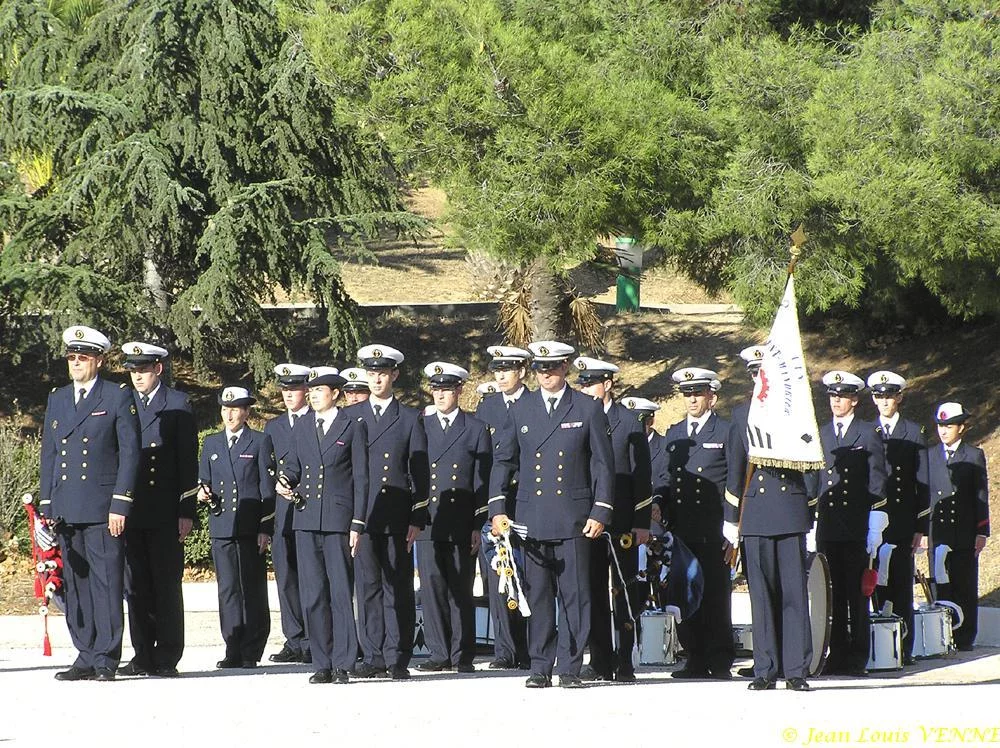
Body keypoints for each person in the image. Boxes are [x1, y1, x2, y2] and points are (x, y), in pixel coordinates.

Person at [488, 340, 615, 689]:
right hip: (532, 517)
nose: (547, 374)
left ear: (566, 368)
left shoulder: (586, 407)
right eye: (541, 368)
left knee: (575, 594)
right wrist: (498, 508)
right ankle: (540, 665)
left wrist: (600, 510)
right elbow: (504, 461)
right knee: (539, 595)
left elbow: (603, 465)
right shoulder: (522, 408)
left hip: (574, 516)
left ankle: (570, 667)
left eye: (554, 367)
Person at [40, 325, 141, 682]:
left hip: (102, 508)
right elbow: (49, 454)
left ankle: (105, 658)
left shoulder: (116, 397)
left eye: (83, 357)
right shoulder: (58, 398)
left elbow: (130, 454)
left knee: (106, 583)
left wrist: (120, 504)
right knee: (76, 584)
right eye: (71, 357)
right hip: (67, 507)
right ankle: (84, 653)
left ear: (98, 360)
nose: (76, 363)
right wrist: (47, 505)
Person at [727, 350, 815, 692]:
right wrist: (730, 518)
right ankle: (765, 668)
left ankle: (795, 669)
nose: (758, 380)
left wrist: (811, 513)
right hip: (757, 515)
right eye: (754, 374)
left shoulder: (795, 414)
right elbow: (735, 470)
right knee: (760, 597)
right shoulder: (740, 415)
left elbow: (812, 467)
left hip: (790, 513)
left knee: (794, 595)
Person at [277, 367, 369, 683]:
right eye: (311, 391)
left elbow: (361, 477)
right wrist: (285, 480)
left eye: (319, 390)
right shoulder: (302, 426)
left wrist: (357, 523)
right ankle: (322, 662)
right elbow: (293, 464)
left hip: (338, 520)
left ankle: (344, 662)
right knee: (313, 593)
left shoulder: (351, 426)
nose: (313, 395)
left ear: (335, 394)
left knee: (340, 592)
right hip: (306, 518)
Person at [118, 341, 198, 678]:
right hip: (132, 508)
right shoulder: (123, 402)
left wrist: (187, 510)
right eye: (133, 370)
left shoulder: (177, 404)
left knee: (165, 583)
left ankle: (166, 654)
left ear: (158, 369)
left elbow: (186, 463)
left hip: (165, 510)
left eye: (144, 369)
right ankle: (141, 654)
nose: (138, 376)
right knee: (135, 585)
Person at [353, 344, 430, 680]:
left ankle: (398, 654)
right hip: (364, 514)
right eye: (371, 373)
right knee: (367, 585)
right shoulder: (351, 416)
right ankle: (372, 654)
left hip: (398, 514)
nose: (376, 379)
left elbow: (420, 472)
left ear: (394, 375)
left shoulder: (410, 417)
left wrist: (417, 517)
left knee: (396, 586)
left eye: (382, 373)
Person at [574, 356, 651, 683]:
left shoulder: (629, 422)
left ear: (607, 384)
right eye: (582, 383)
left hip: (621, 522)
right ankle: (600, 658)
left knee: (624, 591)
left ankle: (625, 659)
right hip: (589, 521)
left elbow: (641, 477)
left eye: (591, 383)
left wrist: (642, 522)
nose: (585, 389)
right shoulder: (576, 416)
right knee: (591, 590)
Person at [808, 371, 887, 677]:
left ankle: (857, 657)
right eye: (832, 396)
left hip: (855, 526)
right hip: (828, 525)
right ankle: (836, 653)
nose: (836, 401)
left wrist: (876, 519)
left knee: (856, 594)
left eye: (842, 396)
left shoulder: (868, 433)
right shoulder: (823, 433)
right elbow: (816, 479)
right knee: (832, 595)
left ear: (854, 400)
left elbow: (878, 478)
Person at [413, 362, 491, 673]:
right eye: (436, 389)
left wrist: (477, 524)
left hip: (460, 520)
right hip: (430, 518)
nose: (440, 395)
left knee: (460, 587)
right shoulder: (421, 426)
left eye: (446, 389)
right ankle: (438, 652)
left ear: (459, 390)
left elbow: (481, 481)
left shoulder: (475, 428)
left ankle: (463, 654)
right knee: (432, 587)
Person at [659, 367, 735, 680]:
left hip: (714, 528)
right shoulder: (675, 432)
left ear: (711, 397)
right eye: (687, 393)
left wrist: (733, 527)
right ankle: (694, 656)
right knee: (685, 593)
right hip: (683, 529)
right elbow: (665, 477)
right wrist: (658, 504)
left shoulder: (725, 431)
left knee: (716, 596)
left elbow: (733, 478)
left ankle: (719, 659)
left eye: (697, 393)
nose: (691, 399)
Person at [198, 387, 275, 669]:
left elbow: (267, 490)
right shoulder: (212, 443)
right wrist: (203, 492)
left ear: (246, 412)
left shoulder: (259, 442)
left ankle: (251, 648)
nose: (229, 414)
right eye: (225, 409)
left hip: (249, 526)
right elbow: (203, 478)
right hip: (222, 525)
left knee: (251, 588)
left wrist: (265, 527)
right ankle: (232, 644)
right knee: (228, 588)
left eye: (235, 409)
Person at [473, 344, 531, 670]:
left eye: (507, 369)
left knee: (530, 578)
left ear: (521, 371)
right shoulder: (488, 407)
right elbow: (482, 462)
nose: (501, 375)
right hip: (495, 506)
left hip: (528, 503)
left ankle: (530, 649)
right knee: (499, 576)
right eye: (497, 369)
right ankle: (505, 651)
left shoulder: (534, 404)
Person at [867, 370, 929, 665]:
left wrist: (921, 526)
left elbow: (922, 482)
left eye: (889, 396)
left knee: (901, 583)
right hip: (874, 518)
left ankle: (904, 646)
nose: (884, 401)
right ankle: (877, 644)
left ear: (899, 397)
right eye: (879, 396)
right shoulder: (867, 431)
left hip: (902, 520)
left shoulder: (913, 431)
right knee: (873, 579)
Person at [928, 402, 989, 651]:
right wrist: (921, 529)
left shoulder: (973, 455)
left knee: (964, 583)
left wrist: (981, 531)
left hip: (963, 531)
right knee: (940, 583)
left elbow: (980, 495)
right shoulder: (930, 455)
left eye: (949, 426)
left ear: (961, 427)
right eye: (941, 425)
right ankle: (940, 636)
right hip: (938, 530)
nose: (943, 431)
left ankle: (964, 637)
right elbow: (925, 494)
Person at [264, 363, 312, 665]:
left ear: (306, 390)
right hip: (282, 512)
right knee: (286, 577)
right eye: (284, 389)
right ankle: (294, 639)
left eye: (294, 389)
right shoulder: (275, 427)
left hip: (311, 508)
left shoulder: (319, 420)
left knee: (312, 577)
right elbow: (266, 473)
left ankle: (314, 638)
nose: (289, 394)